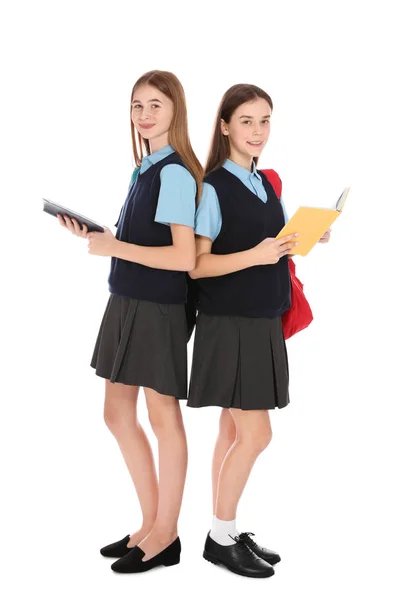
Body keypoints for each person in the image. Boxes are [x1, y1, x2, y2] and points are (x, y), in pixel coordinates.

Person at [58, 70, 202, 574]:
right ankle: (149, 523)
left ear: (175, 111)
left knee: (163, 417)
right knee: (117, 413)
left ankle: (168, 533)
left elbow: (183, 257)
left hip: (157, 306)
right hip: (125, 300)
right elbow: (144, 239)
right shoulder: (145, 168)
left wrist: (116, 246)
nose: (144, 115)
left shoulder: (177, 174)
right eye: (137, 106)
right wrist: (101, 234)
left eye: (155, 106)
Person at [187, 83, 330, 578]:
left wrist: (302, 237)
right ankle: (219, 538)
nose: (258, 131)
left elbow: (268, 241)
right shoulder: (211, 187)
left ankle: (223, 529)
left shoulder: (263, 181)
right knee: (256, 434)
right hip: (232, 324)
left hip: (261, 318)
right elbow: (197, 265)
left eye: (265, 120)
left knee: (232, 430)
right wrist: (257, 255)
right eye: (246, 120)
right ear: (225, 125)